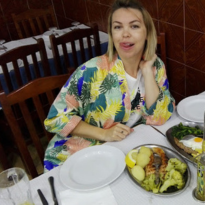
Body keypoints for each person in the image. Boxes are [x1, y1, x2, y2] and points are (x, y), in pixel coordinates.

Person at [43, 0, 175, 172]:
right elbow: (55, 119)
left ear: (147, 33)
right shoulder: (92, 71)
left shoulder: (155, 66)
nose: (125, 34)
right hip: (78, 155)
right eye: (118, 27)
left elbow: (160, 116)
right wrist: (104, 134)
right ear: (112, 34)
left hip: (123, 151)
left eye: (134, 26)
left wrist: (147, 72)